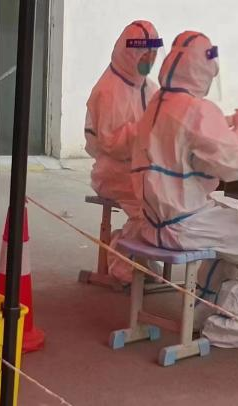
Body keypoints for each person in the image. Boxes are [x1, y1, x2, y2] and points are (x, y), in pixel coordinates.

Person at [130, 31, 238, 348]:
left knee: (234, 241)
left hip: (153, 221)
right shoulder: (197, 109)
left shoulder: (158, 102)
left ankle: (203, 311)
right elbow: (235, 165)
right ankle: (229, 324)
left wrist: (230, 122)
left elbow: (188, 132)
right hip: (185, 222)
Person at [84, 20, 164, 283]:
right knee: (150, 205)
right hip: (113, 172)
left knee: (171, 200)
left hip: (140, 169)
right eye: (145, 54)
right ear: (130, 53)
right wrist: (143, 131)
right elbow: (109, 144)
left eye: (153, 54)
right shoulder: (108, 90)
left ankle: (137, 256)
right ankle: (123, 259)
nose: (150, 60)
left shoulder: (148, 88)